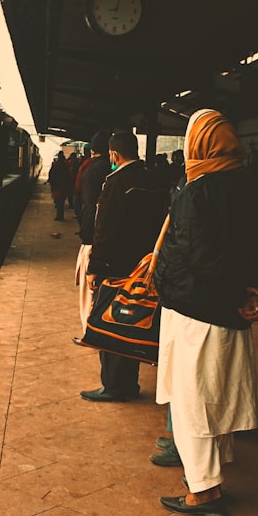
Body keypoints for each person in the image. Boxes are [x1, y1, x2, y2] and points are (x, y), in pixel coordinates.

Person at [153, 109, 258, 516]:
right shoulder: (254, 189)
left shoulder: (197, 191)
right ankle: (214, 466)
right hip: (233, 314)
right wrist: (257, 299)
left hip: (197, 310)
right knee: (218, 393)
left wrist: (233, 295)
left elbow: (201, 256)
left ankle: (203, 491)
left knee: (191, 399)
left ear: (199, 144)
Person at [81, 130, 166, 403]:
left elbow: (104, 230)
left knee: (112, 325)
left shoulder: (115, 183)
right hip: (146, 266)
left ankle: (115, 386)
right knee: (133, 324)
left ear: (114, 155)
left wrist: (96, 267)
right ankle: (129, 382)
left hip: (116, 267)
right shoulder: (155, 179)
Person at [74, 131, 111, 334]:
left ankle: (89, 329)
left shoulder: (90, 171)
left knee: (89, 290)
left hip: (94, 236)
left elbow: (89, 207)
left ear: (93, 150)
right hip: (114, 240)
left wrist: (86, 235)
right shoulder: (116, 170)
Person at [48, 151, 71, 221]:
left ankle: (59, 216)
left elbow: (51, 175)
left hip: (56, 186)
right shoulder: (66, 165)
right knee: (61, 202)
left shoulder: (56, 164)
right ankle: (61, 216)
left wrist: (52, 184)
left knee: (58, 202)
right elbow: (68, 176)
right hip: (64, 186)